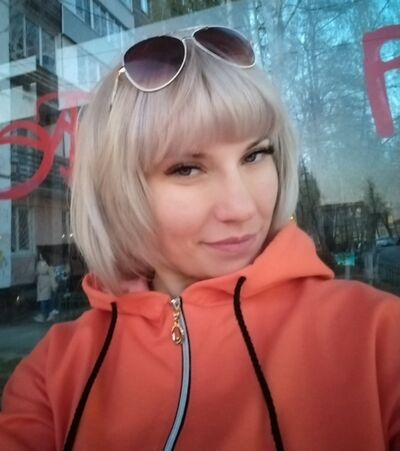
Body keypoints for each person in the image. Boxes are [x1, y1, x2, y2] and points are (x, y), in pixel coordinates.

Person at [0, 26, 399, 451]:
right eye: (187, 168)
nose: (241, 207)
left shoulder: (378, 337)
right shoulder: (54, 377)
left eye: (255, 155)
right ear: (118, 189)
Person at [33, 254, 59, 323]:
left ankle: (44, 316)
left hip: (47, 283)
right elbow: (37, 272)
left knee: (44, 299)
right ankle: (46, 315)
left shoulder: (48, 265)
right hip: (40, 283)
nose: (40, 256)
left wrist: (54, 285)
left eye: (42, 255)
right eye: (40, 255)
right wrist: (36, 274)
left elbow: (52, 275)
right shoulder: (38, 263)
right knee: (44, 299)